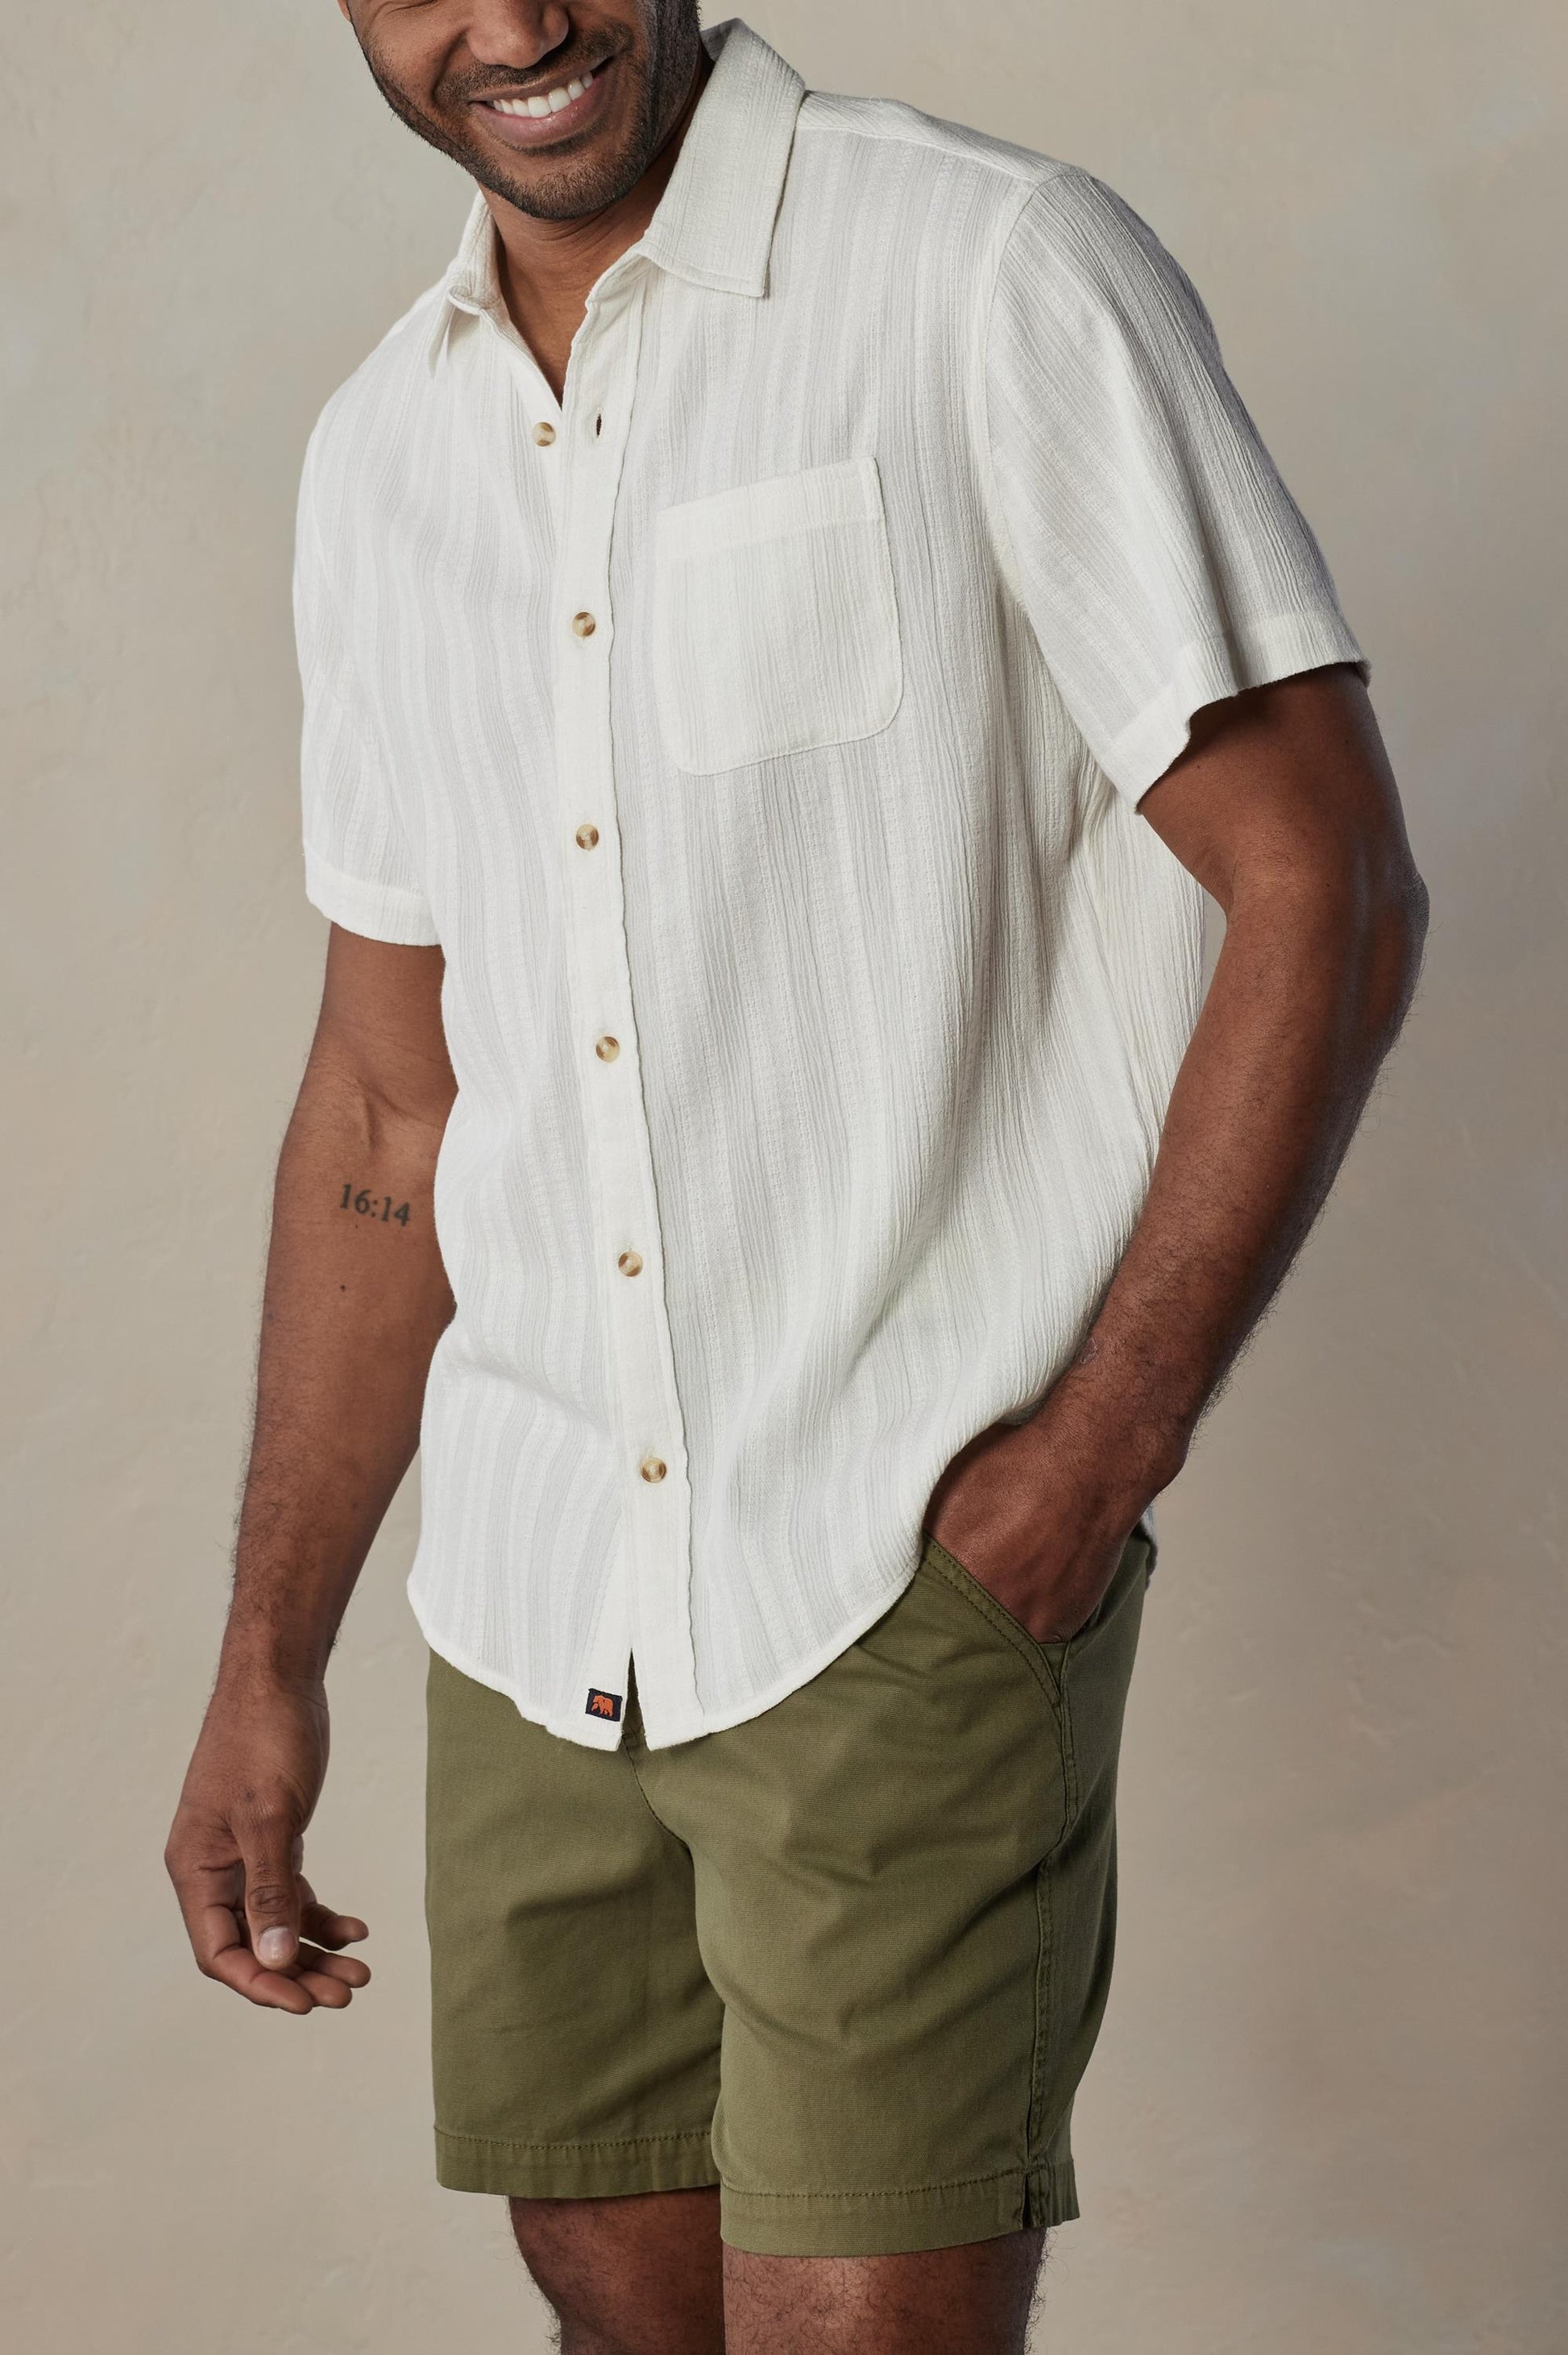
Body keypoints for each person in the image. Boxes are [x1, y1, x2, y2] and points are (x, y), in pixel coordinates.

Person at [164, 7, 1427, 2349]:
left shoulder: (988, 268)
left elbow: (1323, 881)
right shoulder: (381, 453)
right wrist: (266, 1662)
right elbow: (388, 1108)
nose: (514, 25)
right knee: (610, 2303)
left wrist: (1092, 1460)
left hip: (889, 1572)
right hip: (534, 1599)